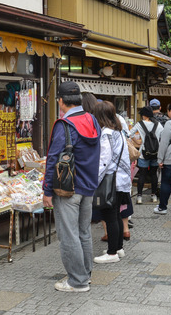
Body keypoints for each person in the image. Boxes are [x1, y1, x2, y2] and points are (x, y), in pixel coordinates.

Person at [42, 81, 100, 292]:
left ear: (61, 101)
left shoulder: (64, 125)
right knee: (83, 232)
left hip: (68, 189)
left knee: (68, 236)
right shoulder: (92, 119)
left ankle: (77, 281)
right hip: (88, 186)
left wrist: (47, 190)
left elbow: (53, 161)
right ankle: (85, 274)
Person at [91, 101, 131, 264]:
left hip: (111, 181)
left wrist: (95, 180)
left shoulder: (106, 132)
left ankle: (112, 252)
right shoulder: (118, 131)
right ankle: (119, 247)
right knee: (116, 215)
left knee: (110, 216)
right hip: (122, 179)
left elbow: (104, 160)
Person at [128, 106, 163, 204]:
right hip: (155, 153)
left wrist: (136, 141)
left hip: (144, 153)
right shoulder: (158, 125)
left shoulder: (140, 124)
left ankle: (139, 197)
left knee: (142, 175)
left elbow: (128, 134)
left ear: (144, 115)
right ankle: (154, 195)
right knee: (153, 174)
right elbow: (162, 136)